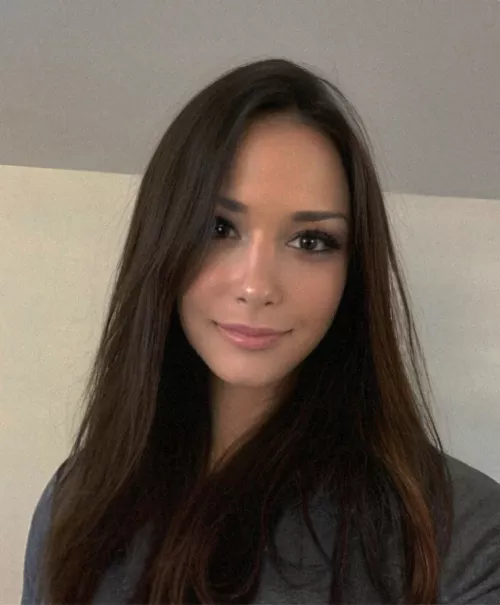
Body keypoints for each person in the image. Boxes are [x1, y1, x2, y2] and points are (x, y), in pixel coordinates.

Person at [21, 58, 500, 605]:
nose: (256, 286)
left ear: (354, 272)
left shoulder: (461, 538)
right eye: (218, 227)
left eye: (311, 241)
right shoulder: (78, 498)